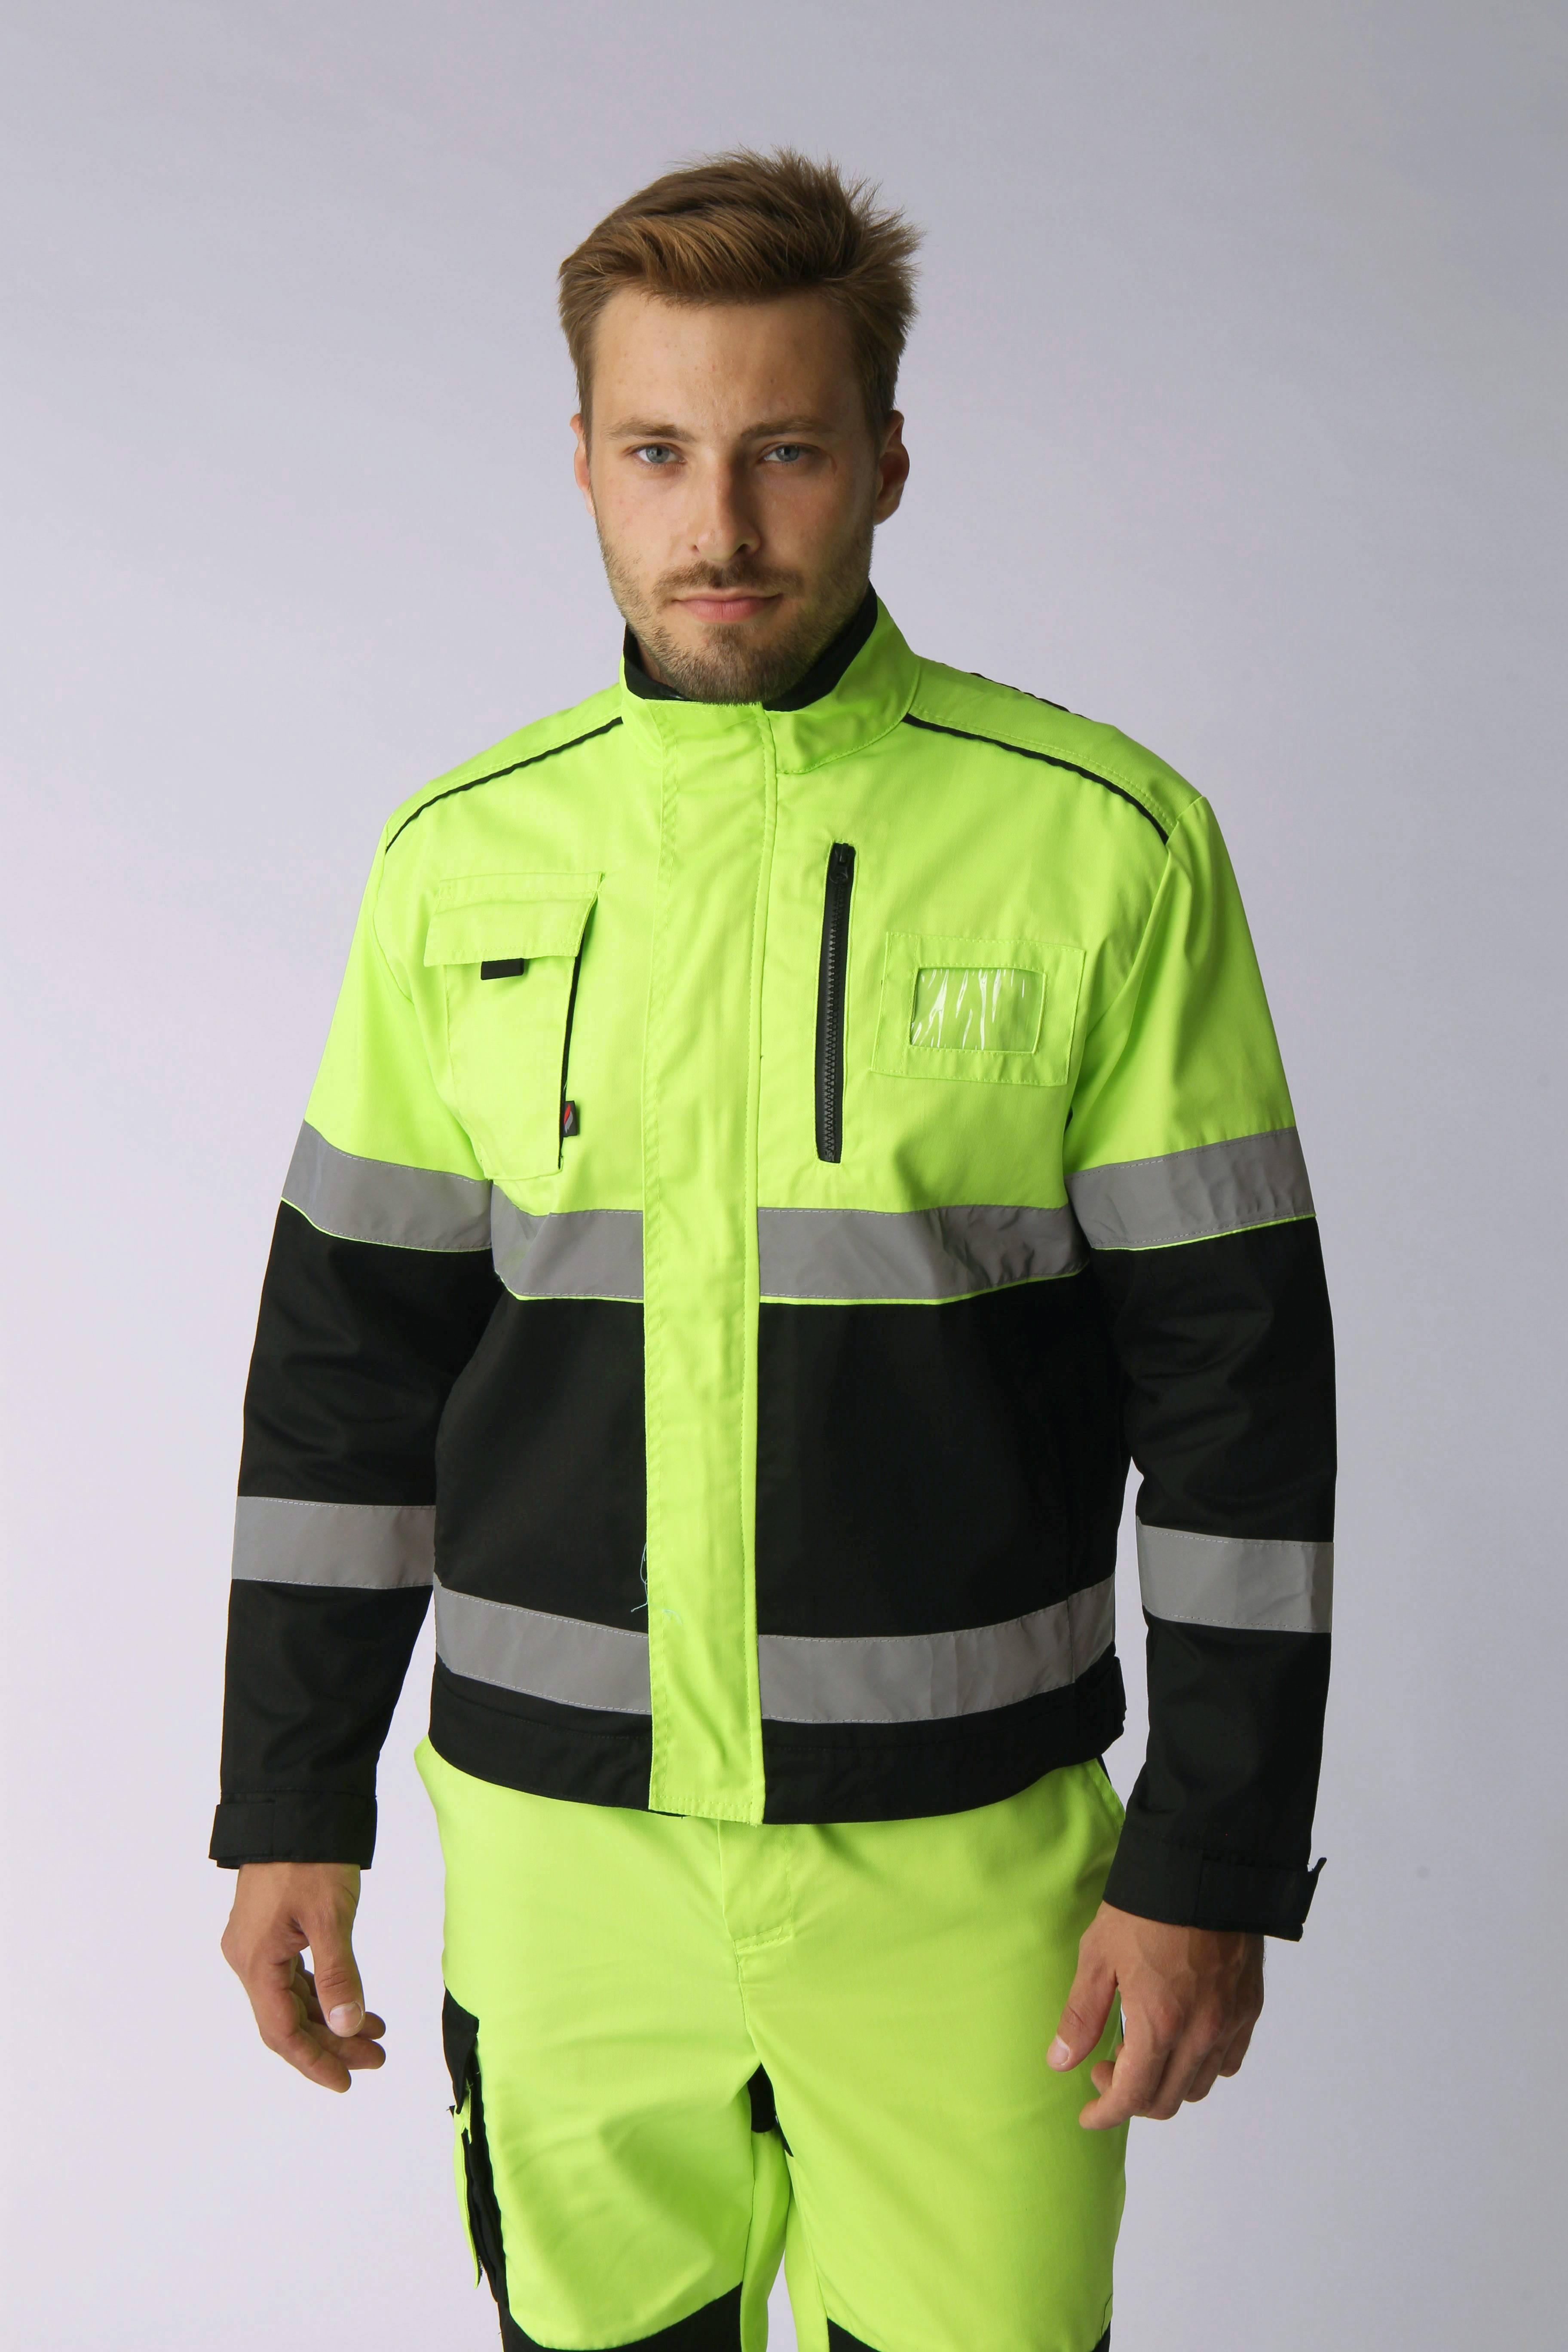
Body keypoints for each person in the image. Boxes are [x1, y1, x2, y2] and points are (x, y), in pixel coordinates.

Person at [214, 150, 1335, 2352]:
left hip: (971, 1880)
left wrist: (1211, 1852)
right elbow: (344, 1380)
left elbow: (1241, 1403)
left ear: (887, 459)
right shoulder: (460, 863)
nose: (716, 522)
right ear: (583, 463)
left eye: (784, 452)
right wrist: (288, 1804)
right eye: (659, 453)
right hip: (559, 1871)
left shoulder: (1103, 850)